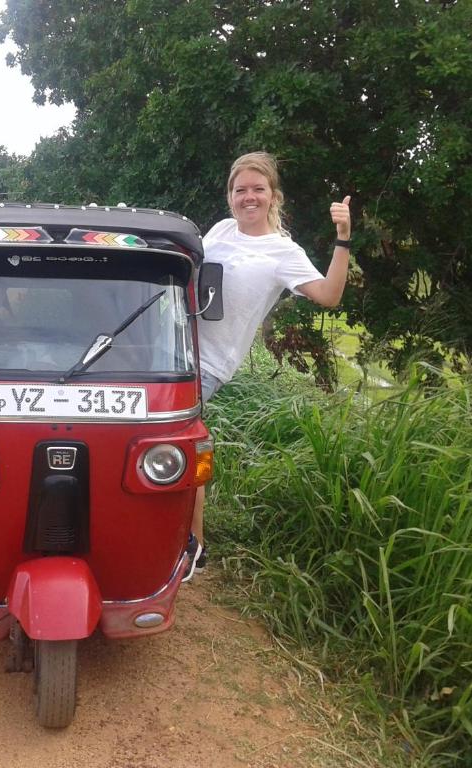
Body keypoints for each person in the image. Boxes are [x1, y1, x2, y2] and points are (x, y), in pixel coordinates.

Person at [183, 151, 352, 582]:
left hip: (209, 364)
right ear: (230, 196)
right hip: (172, 349)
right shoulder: (220, 230)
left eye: (258, 189)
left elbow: (330, 294)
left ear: (273, 195)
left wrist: (343, 237)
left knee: (180, 440)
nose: (248, 197)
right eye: (241, 190)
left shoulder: (282, 252)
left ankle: (193, 547)